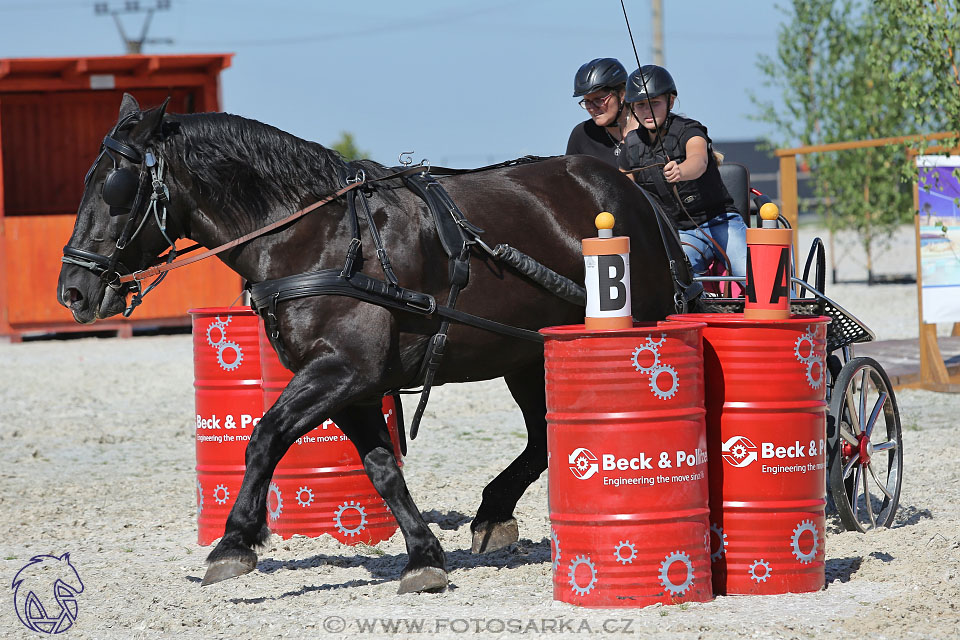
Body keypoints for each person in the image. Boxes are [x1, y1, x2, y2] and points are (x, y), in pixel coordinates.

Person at [618, 65, 747, 278]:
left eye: (654, 103)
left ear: (670, 101)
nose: (647, 111)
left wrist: (681, 170)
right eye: (640, 105)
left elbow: (699, 161)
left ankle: (791, 305)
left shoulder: (691, 131)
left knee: (750, 272)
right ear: (632, 109)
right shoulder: (630, 147)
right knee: (676, 278)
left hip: (720, 221)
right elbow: (622, 188)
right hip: (679, 233)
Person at [566, 58, 638, 168]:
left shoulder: (648, 129)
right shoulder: (581, 135)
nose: (591, 108)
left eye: (598, 100)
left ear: (622, 94)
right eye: (587, 101)